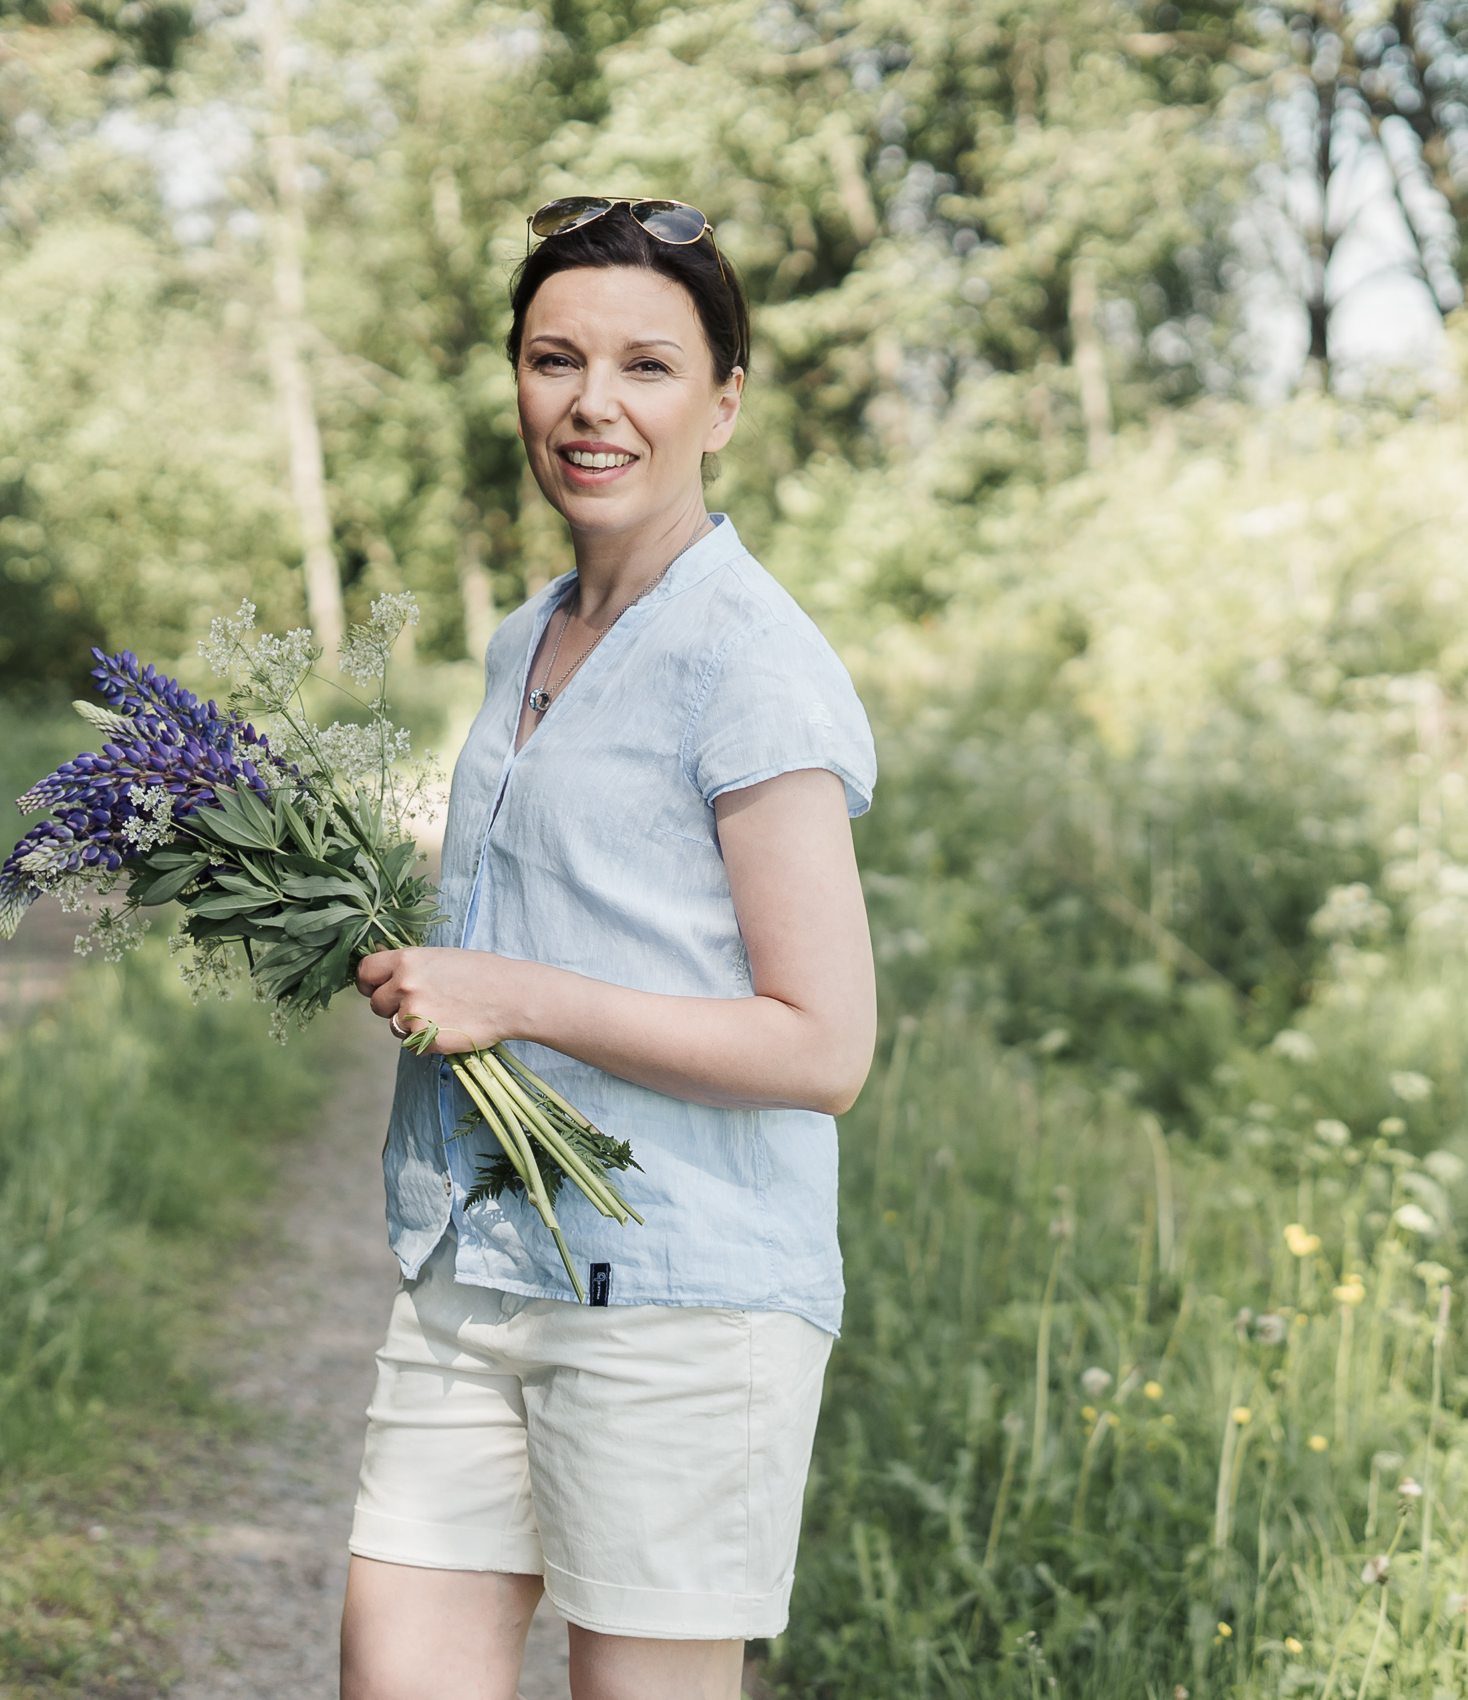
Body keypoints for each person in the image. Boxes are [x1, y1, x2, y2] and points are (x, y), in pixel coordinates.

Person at [342, 194, 878, 1700]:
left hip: (678, 1301)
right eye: (553, 359)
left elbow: (824, 1047)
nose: (591, 404)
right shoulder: (525, 637)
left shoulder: (752, 661)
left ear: (723, 405)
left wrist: (513, 995)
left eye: (647, 366)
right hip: (473, 1266)